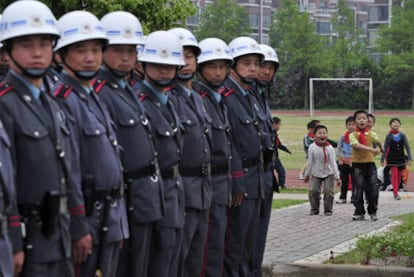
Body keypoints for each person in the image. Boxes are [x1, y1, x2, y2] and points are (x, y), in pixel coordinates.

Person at [0, 1, 74, 275]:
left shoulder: (52, 103)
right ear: (7, 51)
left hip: (59, 232)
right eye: (26, 44)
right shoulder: (5, 104)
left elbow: (69, 169)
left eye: (44, 44)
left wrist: (77, 225)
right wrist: (13, 239)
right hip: (28, 237)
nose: (37, 53)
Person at [53, 11, 129, 276]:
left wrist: (119, 221)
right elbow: (68, 170)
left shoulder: (91, 94)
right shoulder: (63, 98)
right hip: (86, 217)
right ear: (60, 55)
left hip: (109, 216)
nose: (90, 58)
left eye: (96, 50)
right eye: (80, 50)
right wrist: (78, 224)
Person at [94, 11, 164, 277]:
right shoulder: (101, 92)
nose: (126, 58)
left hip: (144, 200)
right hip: (125, 201)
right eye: (118, 51)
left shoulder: (127, 90)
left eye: (131, 51)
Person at [137, 30, 185, 277]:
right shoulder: (139, 102)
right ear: (143, 64)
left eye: (170, 65)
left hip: (174, 194)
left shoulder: (170, 102)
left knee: (172, 263)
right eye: (157, 64)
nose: (164, 70)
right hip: (154, 197)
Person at [167, 27, 212, 277]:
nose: (185, 63)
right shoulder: (169, 98)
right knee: (178, 258)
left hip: (202, 190)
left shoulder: (197, 97)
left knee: (196, 259)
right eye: (179, 56)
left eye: (190, 56)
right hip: (182, 189)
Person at [222, 36, 265, 276]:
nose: (253, 68)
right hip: (241, 182)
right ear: (233, 65)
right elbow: (230, 143)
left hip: (256, 180)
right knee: (234, 246)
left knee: (249, 245)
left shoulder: (250, 96)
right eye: (246, 62)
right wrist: (237, 179)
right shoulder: (228, 97)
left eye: (256, 63)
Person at [193, 37, 233, 277]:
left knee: (218, 247)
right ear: (200, 69)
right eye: (211, 67)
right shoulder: (201, 99)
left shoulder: (218, 99)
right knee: (208, 252)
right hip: (208, 184)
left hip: (222, 184)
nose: (218, 73)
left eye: (222, 67)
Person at [250, 44, 279, 277]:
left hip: (265, 173)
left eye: (271, 68)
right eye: (263, 66)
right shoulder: (244, 96)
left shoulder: (261, 97)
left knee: (259, 233)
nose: (266, 72)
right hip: (250, 176)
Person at [349, 110, 381, 221]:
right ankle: (359, 211)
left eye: (364, 118)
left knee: (373, 189)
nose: (361, 120)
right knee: (358, 189)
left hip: (370, 165)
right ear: (355, 122)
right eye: (359, 119)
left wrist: (381, 150)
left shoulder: (372, 134)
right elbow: (356, 145)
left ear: (368, 121)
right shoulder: (353, 135)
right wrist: (371, 149)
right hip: (358, 165)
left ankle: (373, 211)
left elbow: (379, 142)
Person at [303, 125, 340, 216]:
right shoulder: (312, 147)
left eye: (324, 133)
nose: (322, 135)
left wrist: (337, 177)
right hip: (316, 173)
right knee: (313, 191)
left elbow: (333, 163)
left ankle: (328, 210)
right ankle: (314, 209)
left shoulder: (329, 148)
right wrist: (307, 174)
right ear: (315, 135)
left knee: (328, 191)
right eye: (320, 133)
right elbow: (310, 162)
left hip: (328, 173)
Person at [381, 117, 412, 200]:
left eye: (398, 122)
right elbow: (385, 147)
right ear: (390, 125)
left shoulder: (402, 135)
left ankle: (396, 189)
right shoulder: (389, 136)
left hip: (400, 158)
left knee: (399, 176)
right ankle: (395, 193)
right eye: (394, 122)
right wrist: (382, 158)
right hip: (391, 158)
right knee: (394, 174)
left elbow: (407, 147)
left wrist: (409, 158)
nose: (396, 124)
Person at [336, 116, 355, 204]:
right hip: (344, 161)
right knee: (344, 180)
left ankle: (354, 197)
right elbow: (338, 149)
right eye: (349, 125)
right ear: (346, 126)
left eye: (353, 125)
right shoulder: (343, 137)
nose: (351, 126)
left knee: (355, 180)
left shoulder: (358, 136)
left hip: (354, 162)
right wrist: (339, 158)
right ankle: (343, 197)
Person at [272, 116, 292, 190]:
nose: (280, 126)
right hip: (271, 156)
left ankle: (281, 185)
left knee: (281, 170)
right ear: (274, 124)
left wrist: (286, 150)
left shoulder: (274, 134)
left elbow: (278, 144)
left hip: (275, 156)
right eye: (279, 124)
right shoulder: (270, 134)